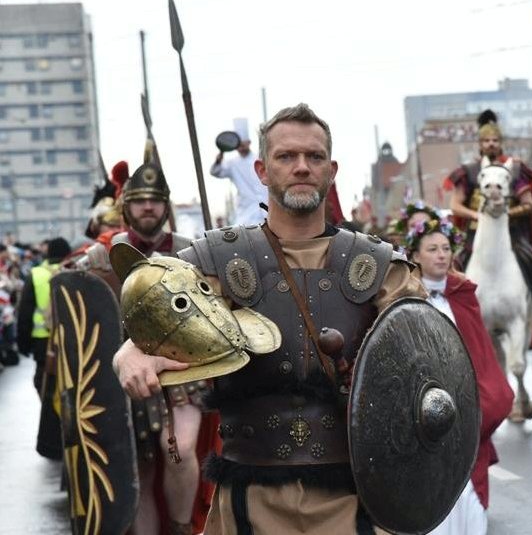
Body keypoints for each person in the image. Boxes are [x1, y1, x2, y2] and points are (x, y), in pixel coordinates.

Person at [114, 103, 425, 534]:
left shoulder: (380, 266)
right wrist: (128, 355)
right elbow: (159, 316)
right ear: (262, 169)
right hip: (248, 499)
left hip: (355, 498)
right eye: (286, 157)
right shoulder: (218, 259)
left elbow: (423, 357)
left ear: (331, 169)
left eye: (314, 157)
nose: (301, 167)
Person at [88, 160, 215, 535]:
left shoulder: (191, 252)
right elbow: (79, 305)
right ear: (126, 206)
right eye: (141, 201)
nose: (149, 208)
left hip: (181, 370)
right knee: (137, 465)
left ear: (166, 205)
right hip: (126, 371)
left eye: (156, 201)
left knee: (181, 448)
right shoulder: (100, 256)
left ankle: (180, 528)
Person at [405, 215, 513, 534]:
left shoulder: (464, 294)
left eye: (445, 248)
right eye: (432, 248)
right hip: (422, 406)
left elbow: (480, 352)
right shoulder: (402, 295)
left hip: (463, 403)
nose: (441, 254)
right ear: (415, 255)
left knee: (467, 482)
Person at [445, 109, 532, 297]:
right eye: (487, 141)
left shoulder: (514, 170)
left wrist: (507, 213)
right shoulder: (469, 171)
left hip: (510, 232)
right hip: (476, 232)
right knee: (455, 264)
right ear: (480, 144)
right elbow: (455, 205)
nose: (491, 144)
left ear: (500, 144)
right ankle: (454, 308)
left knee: (531, 261)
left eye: (495, 140)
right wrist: (478, 215)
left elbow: (528, 204)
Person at [16, 236, 71, 459]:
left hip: (43, 343)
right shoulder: (74, 270)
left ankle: (54, 428)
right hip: (70, 341)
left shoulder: (36, 274)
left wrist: (23, 344)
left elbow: (25, 311)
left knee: (46, 386)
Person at [211, 118, 268, 226]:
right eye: (239, 144)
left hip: (266, 212)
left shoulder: (260, 159)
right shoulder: (232, 163)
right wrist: (219, 159)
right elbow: (215, 172)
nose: (241, 147)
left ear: (249, 142)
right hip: (245, 213)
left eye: (243, 144)